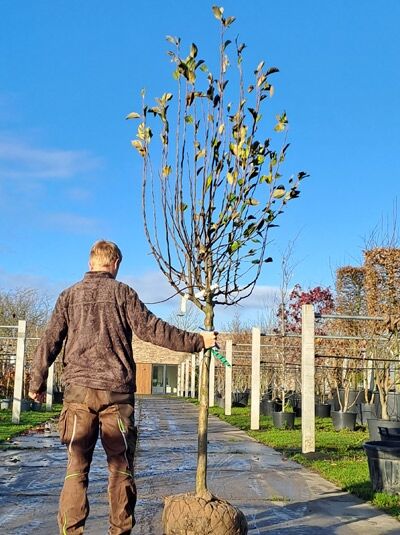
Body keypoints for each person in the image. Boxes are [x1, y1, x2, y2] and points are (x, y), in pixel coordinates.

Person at [28, 240, 217, 535]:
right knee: (120, 469)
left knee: (76, 469)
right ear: (115, 263)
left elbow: (50, 340)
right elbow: (152, 329)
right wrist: (197, 341)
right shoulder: (123, 293)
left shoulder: (68, 296)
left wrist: (36, 382)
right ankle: (120, 531)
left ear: (91, 262)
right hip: (116, 394)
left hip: (78, 393)